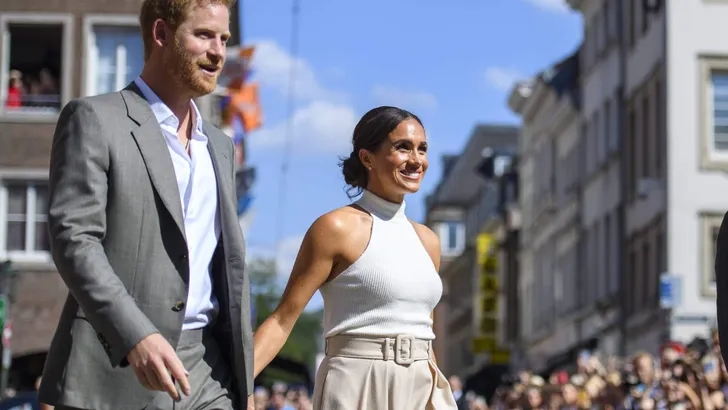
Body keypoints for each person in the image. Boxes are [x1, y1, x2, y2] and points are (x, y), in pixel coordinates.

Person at [37, 1, 253, 409]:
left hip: (209, 372)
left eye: (223, 39)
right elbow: (74, 239)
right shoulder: (95, 119)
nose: (218, 51)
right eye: (204, 35)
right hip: (117, 369)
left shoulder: (221, 147)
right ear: (161, 34)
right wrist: (135, 334)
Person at [252, 106, 457, 409]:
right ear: (367, 157)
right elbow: (283, 319)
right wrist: (241, 382)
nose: (416, 160)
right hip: (357, 382)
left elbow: (422, 327)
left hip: (423, 383)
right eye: (403, 147)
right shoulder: (336, 228)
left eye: (422, 149)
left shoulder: (428, 241)